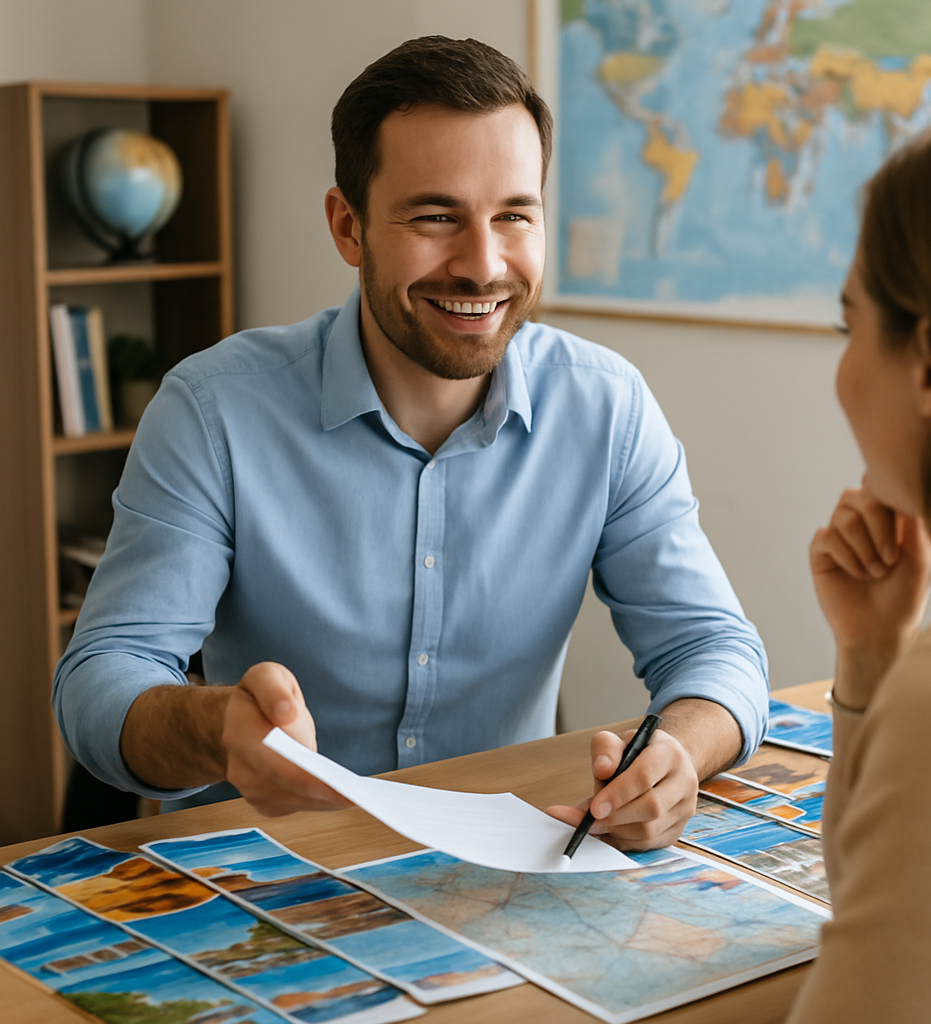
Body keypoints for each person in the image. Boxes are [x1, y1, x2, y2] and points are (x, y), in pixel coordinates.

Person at [53, 36, 769, 849]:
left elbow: (716, 649)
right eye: (436, 217)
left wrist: (677, 753)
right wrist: (217, 727)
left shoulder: (606, 408)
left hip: (507, 880)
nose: (482, 265)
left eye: (514, 215)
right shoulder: (213, 410)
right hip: (277, 880)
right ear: (348, 226)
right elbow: (99, 683)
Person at [788, 109, 931, 1021]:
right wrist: (876, 652)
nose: (843, 371)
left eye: (852, 326)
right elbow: (892, 908)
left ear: (927, 361)